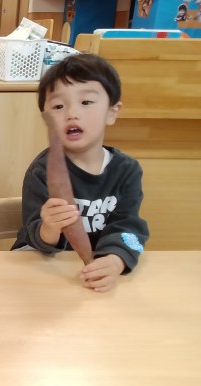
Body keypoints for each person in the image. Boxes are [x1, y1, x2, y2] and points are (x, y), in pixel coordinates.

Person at [12, 54, 149, 292]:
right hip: (45, 267)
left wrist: (115, 260)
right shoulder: (41, 171)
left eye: (86, 102)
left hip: (91, 272)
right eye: (58, 106)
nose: (71, 113)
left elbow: (127, 227)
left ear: (112, 112)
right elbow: (33, 234)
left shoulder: (127, 171)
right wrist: (50, 227)